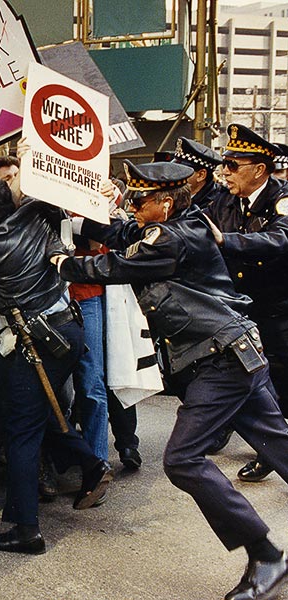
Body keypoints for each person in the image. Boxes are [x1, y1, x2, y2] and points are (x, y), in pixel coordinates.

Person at [57, 160, 288, 600]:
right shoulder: (178, 226)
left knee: (182, 460)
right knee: (279, 443)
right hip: (236, 351)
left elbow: (113, 267)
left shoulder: (171, 238)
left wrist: (63, 263)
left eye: (139, 201)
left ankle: (266, 554)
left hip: (220, 359)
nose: (133, 207)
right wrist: (79, 205)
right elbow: (120, 233)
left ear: (164, 202)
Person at [0, 175, 112, 555]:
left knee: (22, 431)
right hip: (68, 330)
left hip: (39, 343)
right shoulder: (37, 215)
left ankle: (26, 529)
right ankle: (90, 464)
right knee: (35, 413)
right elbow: (44, 196)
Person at [203, 124, 288, 483]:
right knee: (256, 385)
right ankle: (268, 451)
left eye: (233, 165)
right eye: (224, 163)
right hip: (240, 311)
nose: (224, 171)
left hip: (278, 310)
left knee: (281, 385)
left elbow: (280, 239)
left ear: (260, 169)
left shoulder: (281, 198)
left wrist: (229, 241)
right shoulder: (224, 198)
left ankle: (272, 452)